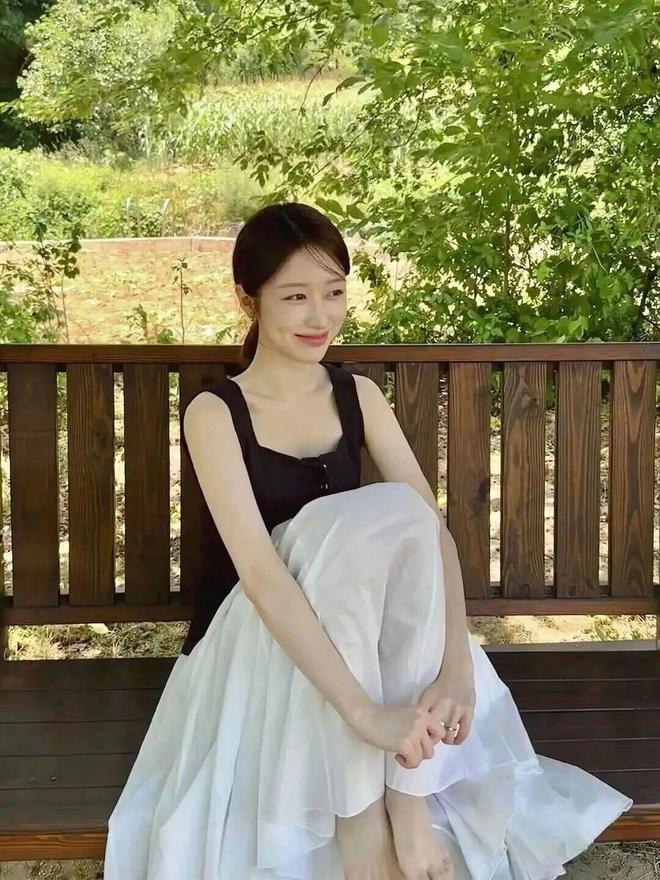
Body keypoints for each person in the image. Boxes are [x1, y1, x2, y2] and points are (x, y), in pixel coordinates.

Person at [103, 202, 633, 880]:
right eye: (295, 296)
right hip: (261, 640)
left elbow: (429, 535)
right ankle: (359, 828)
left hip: (367, 632)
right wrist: (366, 716)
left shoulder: (356, 394)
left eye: (334, 292)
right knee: (342, 527)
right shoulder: (216, 413)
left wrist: (457, 665)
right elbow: (261, 576)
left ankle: (406, 800)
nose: (319, 316)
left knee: (405, 515)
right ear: (248, 299)